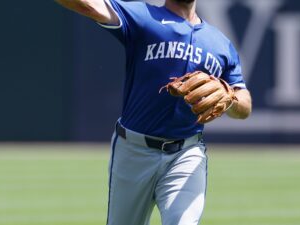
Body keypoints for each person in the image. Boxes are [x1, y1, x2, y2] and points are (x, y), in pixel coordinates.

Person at [55, 0, 252, 224]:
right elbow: (89, 5)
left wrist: (231, 99)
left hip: (186, 153)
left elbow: (244, 106)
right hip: (133, 151)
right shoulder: (143, 16)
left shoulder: (221, 44)